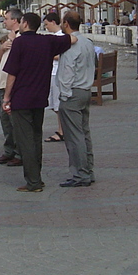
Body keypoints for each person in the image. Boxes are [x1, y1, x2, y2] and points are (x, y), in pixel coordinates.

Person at [2, 12, 73, 192]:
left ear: (24, 24)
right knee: (35, 138)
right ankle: (37, 177)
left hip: (22, 97)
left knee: (25, 140)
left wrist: (6, 97)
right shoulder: (47, 41)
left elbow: (12, 74)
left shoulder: (19, 43)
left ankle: (33, 181)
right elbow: (72, 39)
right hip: (40, 96)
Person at [56, 11, 97, 187]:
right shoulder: (88, 42)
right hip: (85, 89)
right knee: (84, 132)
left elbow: (67, 71)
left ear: (66, 23)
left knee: (74, 136)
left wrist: (64, 94)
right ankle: (88, 170)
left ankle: (81, 173)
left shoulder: (71, 45)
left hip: (72, 92)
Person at [0, 9, 23, 166]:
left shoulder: (21, 38)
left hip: (12, 87)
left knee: (14, 121)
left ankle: (19, 152)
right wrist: (2, 48)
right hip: (2, 84)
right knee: (5, 121)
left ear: (15, 21)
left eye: (6, 19)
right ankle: (9, 150)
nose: (4, 21)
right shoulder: (7, 40)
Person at [43, 11, 65, 143]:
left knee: (58, 103)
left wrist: (47, 55)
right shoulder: (54, 37)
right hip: (52, 72)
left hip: (57, 72)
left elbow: (63, 55)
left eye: (47, 24)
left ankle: (63, 130)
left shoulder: (60, 37)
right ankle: (62, 129)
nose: (46, 27)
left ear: (53, 22)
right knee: (53, 103)